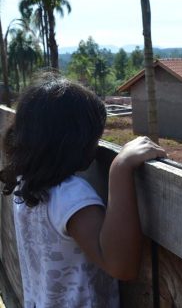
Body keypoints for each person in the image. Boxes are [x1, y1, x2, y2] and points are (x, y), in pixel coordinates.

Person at [0, 74, 166, 307]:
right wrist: (120, 167)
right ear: (74, 141)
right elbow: (122, 267)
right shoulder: (71, 197)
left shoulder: (25, 183)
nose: (96, 145)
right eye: (94, 137)